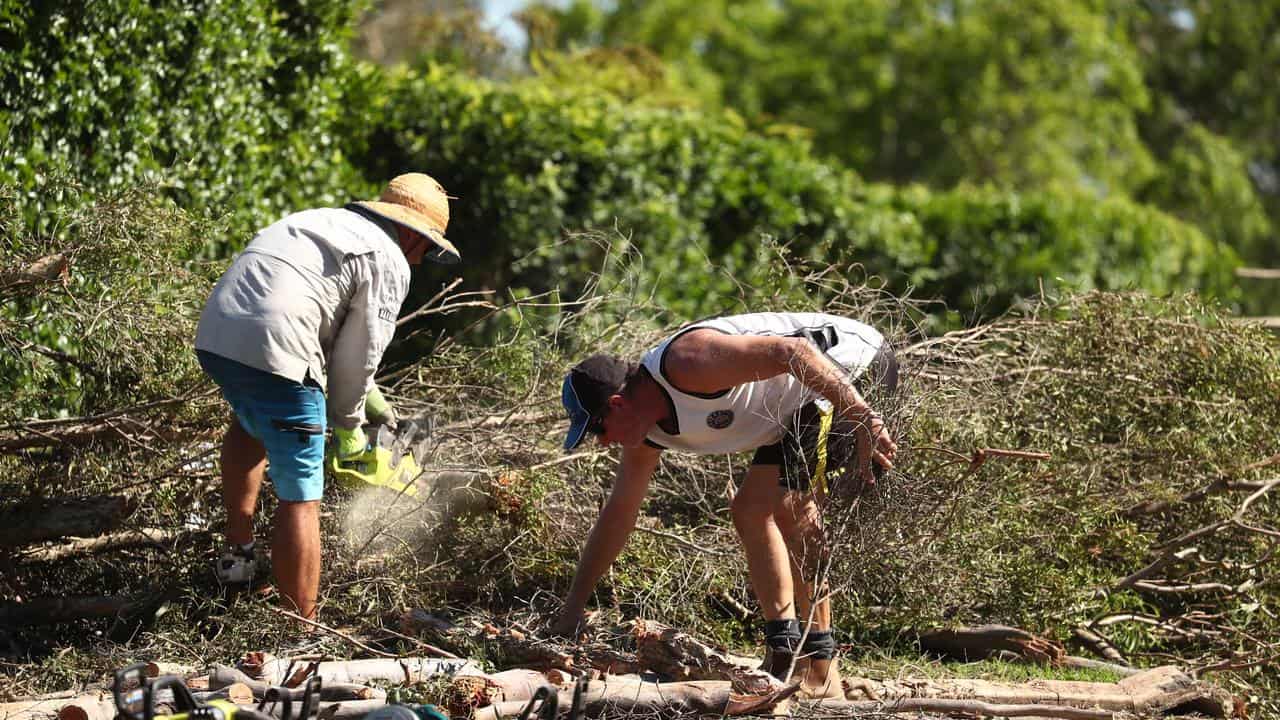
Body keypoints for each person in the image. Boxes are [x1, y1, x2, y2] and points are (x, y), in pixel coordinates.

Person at [552, 312, 899, 698]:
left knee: (790, 505)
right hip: (791, 403)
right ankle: (783, 654)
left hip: (847, 366)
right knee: (750, 509)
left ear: (617, 404)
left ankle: (821, 667)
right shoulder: (645, 435)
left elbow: (794, 351)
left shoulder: (687, 363)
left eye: (597, 429)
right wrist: (573, 606)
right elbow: (619, 515)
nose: (602, 442)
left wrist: (862, 414)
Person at [194, 173, 461, 620]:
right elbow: (358, 359)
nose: (421, 261)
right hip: (280, 349)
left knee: (250, 420)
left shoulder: (323, 221)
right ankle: (301, 628)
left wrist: (378, 406)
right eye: (429, 250)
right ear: (416, 237)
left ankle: (238, 554)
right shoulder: (390, 259)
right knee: (302, 494)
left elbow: (330, 333)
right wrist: (350, 427)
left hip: (219, 335)